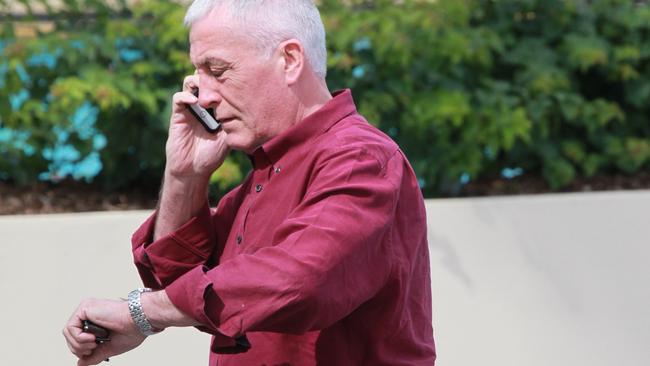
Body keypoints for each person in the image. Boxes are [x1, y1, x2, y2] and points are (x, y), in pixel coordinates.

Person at [63, 0, 436, 365]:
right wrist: (185, 175)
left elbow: (298, 282)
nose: (203, 96)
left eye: (219, 70)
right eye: (199, 74)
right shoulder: (267, 172)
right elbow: (174, 278)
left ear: (290, 60)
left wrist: (140, 314)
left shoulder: (359, 158)